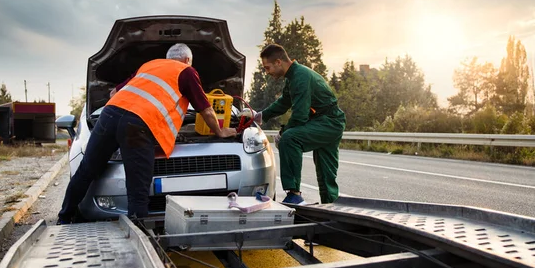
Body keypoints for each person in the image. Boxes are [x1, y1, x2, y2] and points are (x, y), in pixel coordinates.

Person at [57, 43, 237, 224]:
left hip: (109, 114)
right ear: (187, 60)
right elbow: (206, 110)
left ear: (167, 58)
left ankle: (63, 218)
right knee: (138, 190)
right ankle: (138, 235)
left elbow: (113, 93)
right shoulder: (186, 71)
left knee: (86, 171)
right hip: (138, 125)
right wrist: (219, 131)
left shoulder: (148, 66)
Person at [254, 44, 345, 205]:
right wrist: (260, 116)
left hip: (328, 121)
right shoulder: (293, 76)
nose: (267, 72)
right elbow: (284, 102)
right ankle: (331, 207)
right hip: (327, 121)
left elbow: (300, 115)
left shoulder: (300, 77)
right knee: (326, 171)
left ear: (278, 62)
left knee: (290, 138)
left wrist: (283, 132)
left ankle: (294, 194)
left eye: (267, 68)